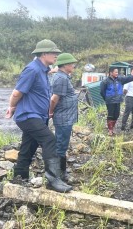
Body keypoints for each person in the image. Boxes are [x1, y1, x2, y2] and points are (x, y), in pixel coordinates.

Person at [5, 39, 72, 193]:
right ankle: (53, 180)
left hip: (38, 116)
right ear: (43, 54)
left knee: (28, 147)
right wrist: (12, 107)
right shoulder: (32, 70)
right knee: (50, 140)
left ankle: (19, 179)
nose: (56, 55)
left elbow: (44, 77)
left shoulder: (42, 70)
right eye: (53, 53)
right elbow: (17, 92)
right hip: (28, 116)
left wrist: (53, 70)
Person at [49, 53, 78, 182]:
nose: (73, 66)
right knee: (61, 145)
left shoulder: (63, 76)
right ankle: (60, 174)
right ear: (65, 65)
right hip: (63, 118)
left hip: (66, 117)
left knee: (62, 144)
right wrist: (50, 112)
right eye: (72, 64)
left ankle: (61, 171)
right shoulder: (61, 78)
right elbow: (54, 98)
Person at [100, 67, 133, 136]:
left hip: (117, 100)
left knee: (116, 115)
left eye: (117, 72)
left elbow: (129, 78)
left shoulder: (120, 79)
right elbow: (102, 92)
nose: (117, 73)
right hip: (110, 101)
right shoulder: (105, 81)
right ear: (111, 73)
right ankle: (110, 130)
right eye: (116, 72)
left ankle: (113, 128)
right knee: (110, 115)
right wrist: (107, 99)